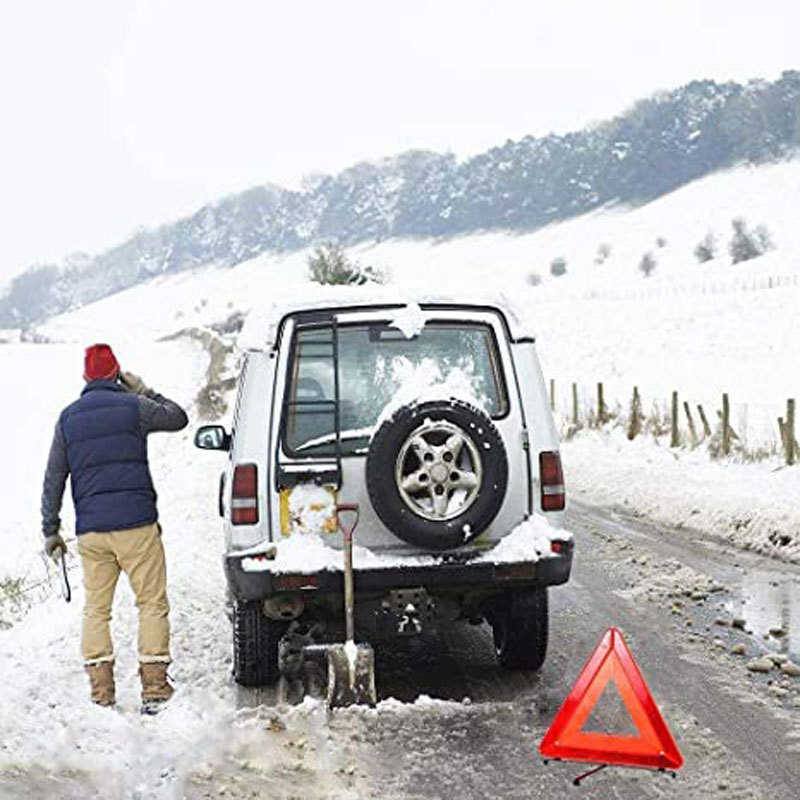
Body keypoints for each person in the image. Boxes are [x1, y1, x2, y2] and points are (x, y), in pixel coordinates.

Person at [40, 343, 188, 712]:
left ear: (86, 377)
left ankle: (101, 692)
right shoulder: (134, 407)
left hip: (92, 532)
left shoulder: (68, 418)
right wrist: (143, 389)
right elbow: (178, 417)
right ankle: (154, 689)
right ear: (117, 373)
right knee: (151, 603)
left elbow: (53, 478)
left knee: (96, 609)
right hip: (137, 526)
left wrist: (51, 529)